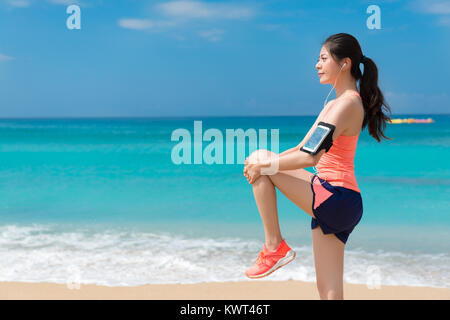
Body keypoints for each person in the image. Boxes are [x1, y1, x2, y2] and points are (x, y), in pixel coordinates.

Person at [243, 33, 392, 300]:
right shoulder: (337, 104)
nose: (317, 65)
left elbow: (311, 157)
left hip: (335, 196)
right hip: (340, 201)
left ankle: (274, 246)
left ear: (344, 63)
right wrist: (265, 164)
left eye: (323, 58)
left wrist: (264, 164)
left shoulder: (346, 104)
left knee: (259, 157)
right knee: (329, 292)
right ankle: (274, 246)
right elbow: (301, 149)